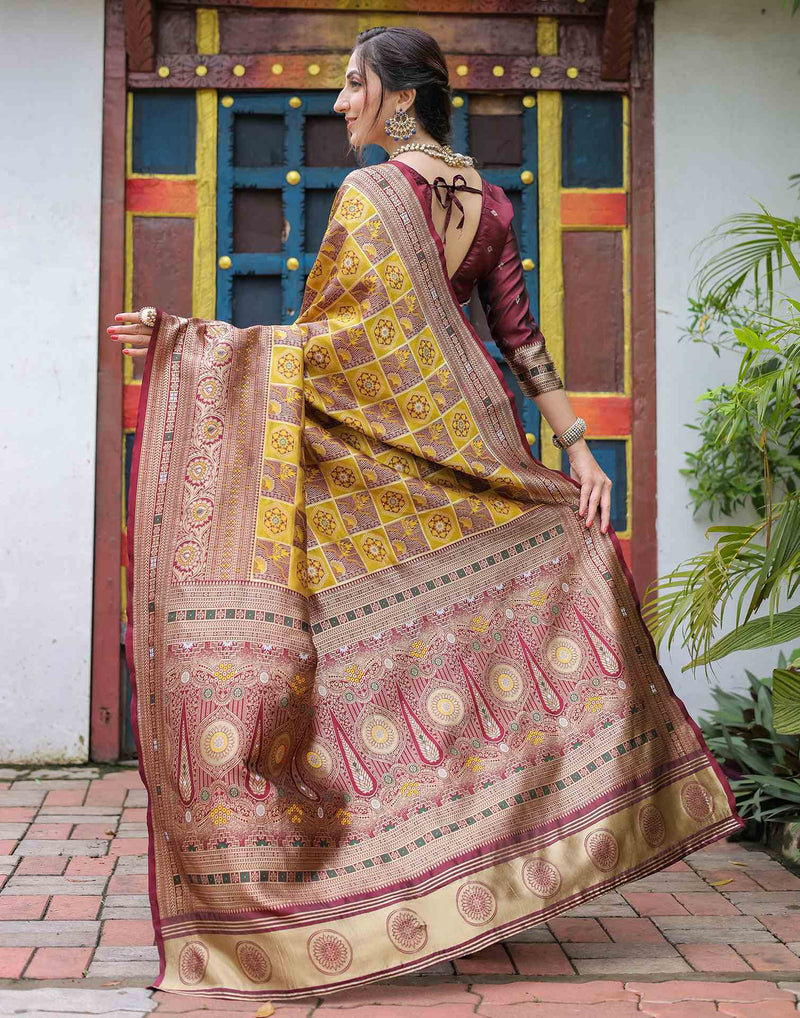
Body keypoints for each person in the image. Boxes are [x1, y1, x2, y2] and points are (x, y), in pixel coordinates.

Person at [107, 25, 742, 1008]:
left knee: (349, 638)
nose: (338, 106)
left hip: (397, 464)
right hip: (474, 452)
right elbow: (518, 343)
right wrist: (576, 454)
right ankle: (481, 853)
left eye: (351, 86)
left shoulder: (370, 196)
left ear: (398, 96)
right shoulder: (486, 203)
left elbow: (327, 346)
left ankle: (394, 864)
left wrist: (191, 344)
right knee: (457, 641)